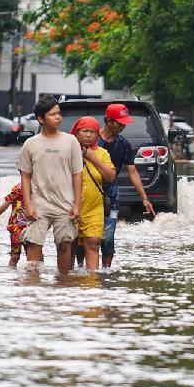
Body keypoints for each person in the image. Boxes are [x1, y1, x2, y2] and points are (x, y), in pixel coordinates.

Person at [17, 95, 83, 274]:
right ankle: (33, 287)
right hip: (39, 205)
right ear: (41, 118)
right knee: (33, 243)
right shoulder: (30, 144)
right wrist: (28, 206)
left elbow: (78, 175)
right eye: (53, 114)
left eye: (59, 114)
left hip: (65, 205)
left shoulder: (71, 141)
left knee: (64, 245)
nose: (58, 117)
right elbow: (25, 176)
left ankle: (62, 284)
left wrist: (77, 205)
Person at [97, 103, 155, 268]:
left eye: (124, 123)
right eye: (119, 122)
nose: (123, 126)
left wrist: (145, 199)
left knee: (108, 235)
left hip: (111, 194)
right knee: (83, 237)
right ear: (108, 120)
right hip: (89, 191)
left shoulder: (124, 145)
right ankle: (80, 271)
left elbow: (133, 172)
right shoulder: (91, 140)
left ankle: (106, 272)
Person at [70, 116, 115, 271]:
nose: (88, 135)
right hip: (69, 206)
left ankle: (93, 281)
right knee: (69, 245)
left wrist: (93, 158)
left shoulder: (102, 153)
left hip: (94, 207)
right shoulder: (67, 151)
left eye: (93, 132)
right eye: (85, 131)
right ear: (76, 133)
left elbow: (110, 177)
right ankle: (66, 281)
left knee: (94, 243)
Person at [0, 182, 28, 268]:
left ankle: (34, 278)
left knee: (36, 256)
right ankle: (11, 277)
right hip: (17, 228)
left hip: (32, 227)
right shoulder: (19, 188)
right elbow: (5, 205)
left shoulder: (40, 187)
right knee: (15, 256)